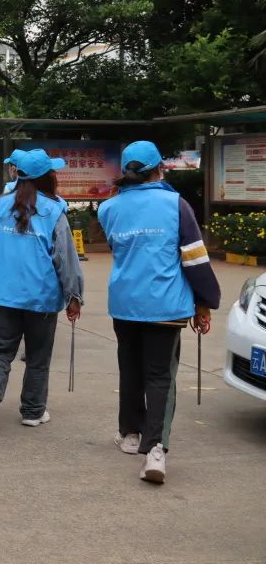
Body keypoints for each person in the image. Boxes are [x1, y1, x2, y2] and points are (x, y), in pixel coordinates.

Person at [98, 141, 219, 484]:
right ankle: (155, 450)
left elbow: (121, 249)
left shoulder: (108, 208)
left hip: (124, 303)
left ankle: (129, 434)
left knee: (130, 369)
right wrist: (205, 301)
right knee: (160, 376)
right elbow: (194, 259)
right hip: (165, 304)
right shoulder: (176, 205)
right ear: (159, 169)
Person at [0, 149, 84, 432]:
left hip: (1, 294)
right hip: (40, 298)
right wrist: (73, 296)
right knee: (37, 357)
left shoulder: (0, 206)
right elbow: (65, 258)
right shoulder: (54, 210)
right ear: (47, 177)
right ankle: (33, 411)